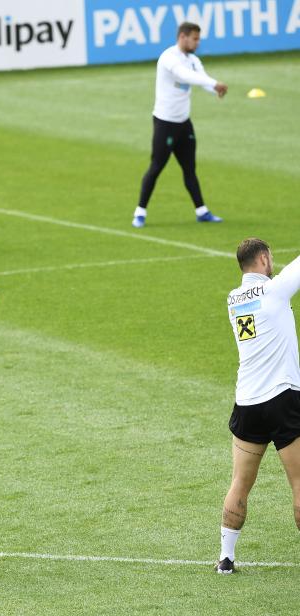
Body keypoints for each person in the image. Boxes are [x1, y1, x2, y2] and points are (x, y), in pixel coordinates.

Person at [217, 238, 300, 573]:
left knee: (240, 482)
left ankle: (226, 558)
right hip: (282, 400)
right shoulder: (274, 291)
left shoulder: (233, 299)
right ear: (264, 259)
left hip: (247, 402)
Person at [131, 22, 228, 228]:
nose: (197, 43)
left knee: (190, 169)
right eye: (195, 38)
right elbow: (185, 76)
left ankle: (202, 211)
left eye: (198, 39)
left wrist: (215, 89)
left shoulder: (193, 60)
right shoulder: (169, 58)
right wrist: (213, 83)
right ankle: (140, 212)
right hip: (165, 123)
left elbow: (201, 80)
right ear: (182, 37)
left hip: (184, 124)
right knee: (156, 167)